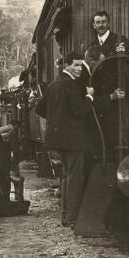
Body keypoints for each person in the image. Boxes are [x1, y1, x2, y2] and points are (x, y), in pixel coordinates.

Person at [37, 51, 95, 227]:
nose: (80, 69)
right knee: (75, 178)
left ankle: (65, 216)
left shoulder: (54, 84)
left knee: (66, 176)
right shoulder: (71, 84)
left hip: (57, 139)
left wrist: (57, 119)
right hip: (73, 140)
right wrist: (89, 96)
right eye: (76, 65)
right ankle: (71, 218)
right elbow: (80, 110)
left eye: (81, 65)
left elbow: (40, 109)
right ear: (67, 65)